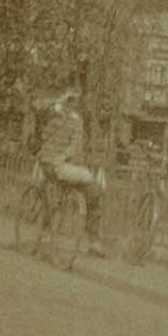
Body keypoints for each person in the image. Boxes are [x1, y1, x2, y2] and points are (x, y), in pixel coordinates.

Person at [38, 86, 105, 256]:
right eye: (70, 99)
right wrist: (58, 102)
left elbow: (76, 144)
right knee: (50, 191)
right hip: (48, 160)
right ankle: (45, 232)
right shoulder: (54, 111)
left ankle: (94, 241)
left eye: (75, 100)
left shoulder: (77, 120)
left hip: (66, 165)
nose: (73, 103)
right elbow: (37, 106)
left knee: (94, 191)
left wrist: (66, 156)